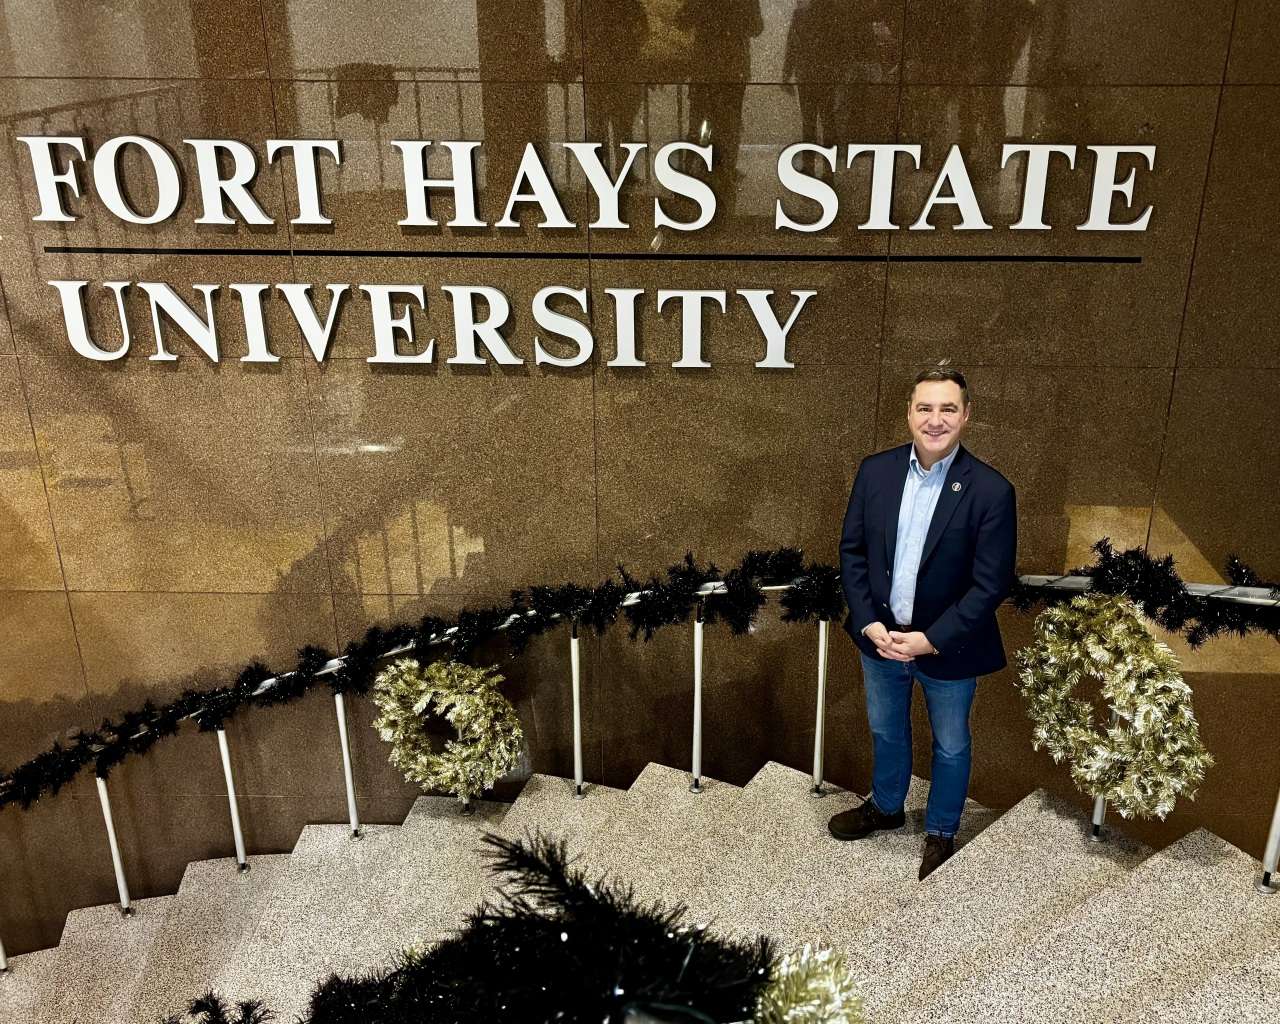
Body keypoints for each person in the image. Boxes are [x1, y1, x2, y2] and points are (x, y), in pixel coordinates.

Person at [829, 367, 1017, 880]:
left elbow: (990, 584)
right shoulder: (876, 472)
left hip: (949, 648)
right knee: (885, 729)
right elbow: (853, 553)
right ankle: (887, 807)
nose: (936, 420)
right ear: (909, 413)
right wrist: (867, 622)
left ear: (966, 415)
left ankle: (940, 831)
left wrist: (930, 640)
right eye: (925, 408)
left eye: (948, 409)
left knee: (951, 745)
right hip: (881, 640)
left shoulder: (991, 491)